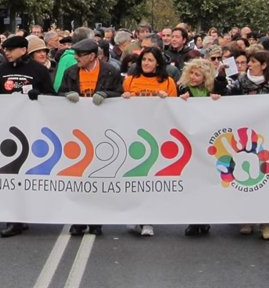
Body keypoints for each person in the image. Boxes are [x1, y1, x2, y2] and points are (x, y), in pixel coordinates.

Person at [0, 35, 54, 238]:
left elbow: (52, 96)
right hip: (8, 132)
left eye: (10, 49)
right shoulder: (2, 69)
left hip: (32, 130)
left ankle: (28, 213)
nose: (6, 53)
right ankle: (14, 219)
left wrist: (39, 96)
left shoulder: (38, 71)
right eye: (5, 50)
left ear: (23, 50)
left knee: (27, 174)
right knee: (11, 174)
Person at [60, 38, 122, 237]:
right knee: (78, 178)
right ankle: (78, 220)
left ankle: (96, 220)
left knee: (98, 177)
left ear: (92, 56)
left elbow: (121, 93)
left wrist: (106, 94)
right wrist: (67, 94)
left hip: (102, 131)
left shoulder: (110, 71)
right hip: (77, 131)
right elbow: (59, 93)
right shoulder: (71, 72)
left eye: (80, 55)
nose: (76, 58)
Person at [122, 46, 176, 238]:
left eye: (150, 60)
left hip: (156, 137)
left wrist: (167, 99)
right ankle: (135, 214)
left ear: (158, 63)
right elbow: (120, 108)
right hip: (134, 137)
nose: (146, 63)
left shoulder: (168, 82)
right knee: (134, 178)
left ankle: (148, 220)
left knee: (150, 179)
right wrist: (124, 97)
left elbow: (175, 110)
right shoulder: (130, 80)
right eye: (144, 59)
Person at [232, 49, 269, 240]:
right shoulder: (240, 84)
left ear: (264, 65)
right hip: (243, 137)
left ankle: (265, 222)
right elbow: (227, 102)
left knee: (265, 178)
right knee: (244, 177)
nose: (249, 65)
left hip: (267, 139)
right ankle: (246, 219)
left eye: (253, 62)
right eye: (249, 61)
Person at [178, 58, 220, 236]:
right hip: (188, 143)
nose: (193, 77)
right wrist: (179, 101)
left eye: (197, 74)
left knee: (206, 182)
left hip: (207, 143)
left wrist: (217, 99)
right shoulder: (182, 89)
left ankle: (205, 218)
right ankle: (194, 220)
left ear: (205, 77)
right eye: (192, 73)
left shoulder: (212, 91)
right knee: (192, 182)